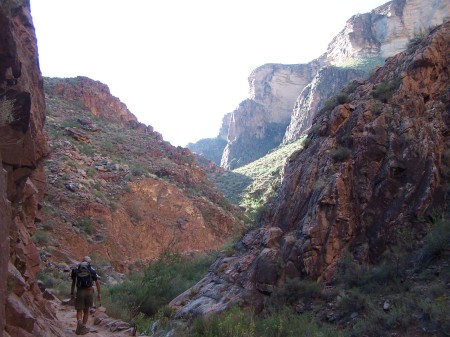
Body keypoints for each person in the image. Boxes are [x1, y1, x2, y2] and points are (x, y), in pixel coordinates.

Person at [70, 256, 101, 335]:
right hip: (89, 291)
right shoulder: (92, 270)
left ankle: (79, 325)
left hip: (80, 291)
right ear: (89, 262)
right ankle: (83, 327)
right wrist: (99, 293)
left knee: (79, 310)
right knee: (86, 310)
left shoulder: (76, 270)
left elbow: (73, 282)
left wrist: (72, 292)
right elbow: (97, 283)